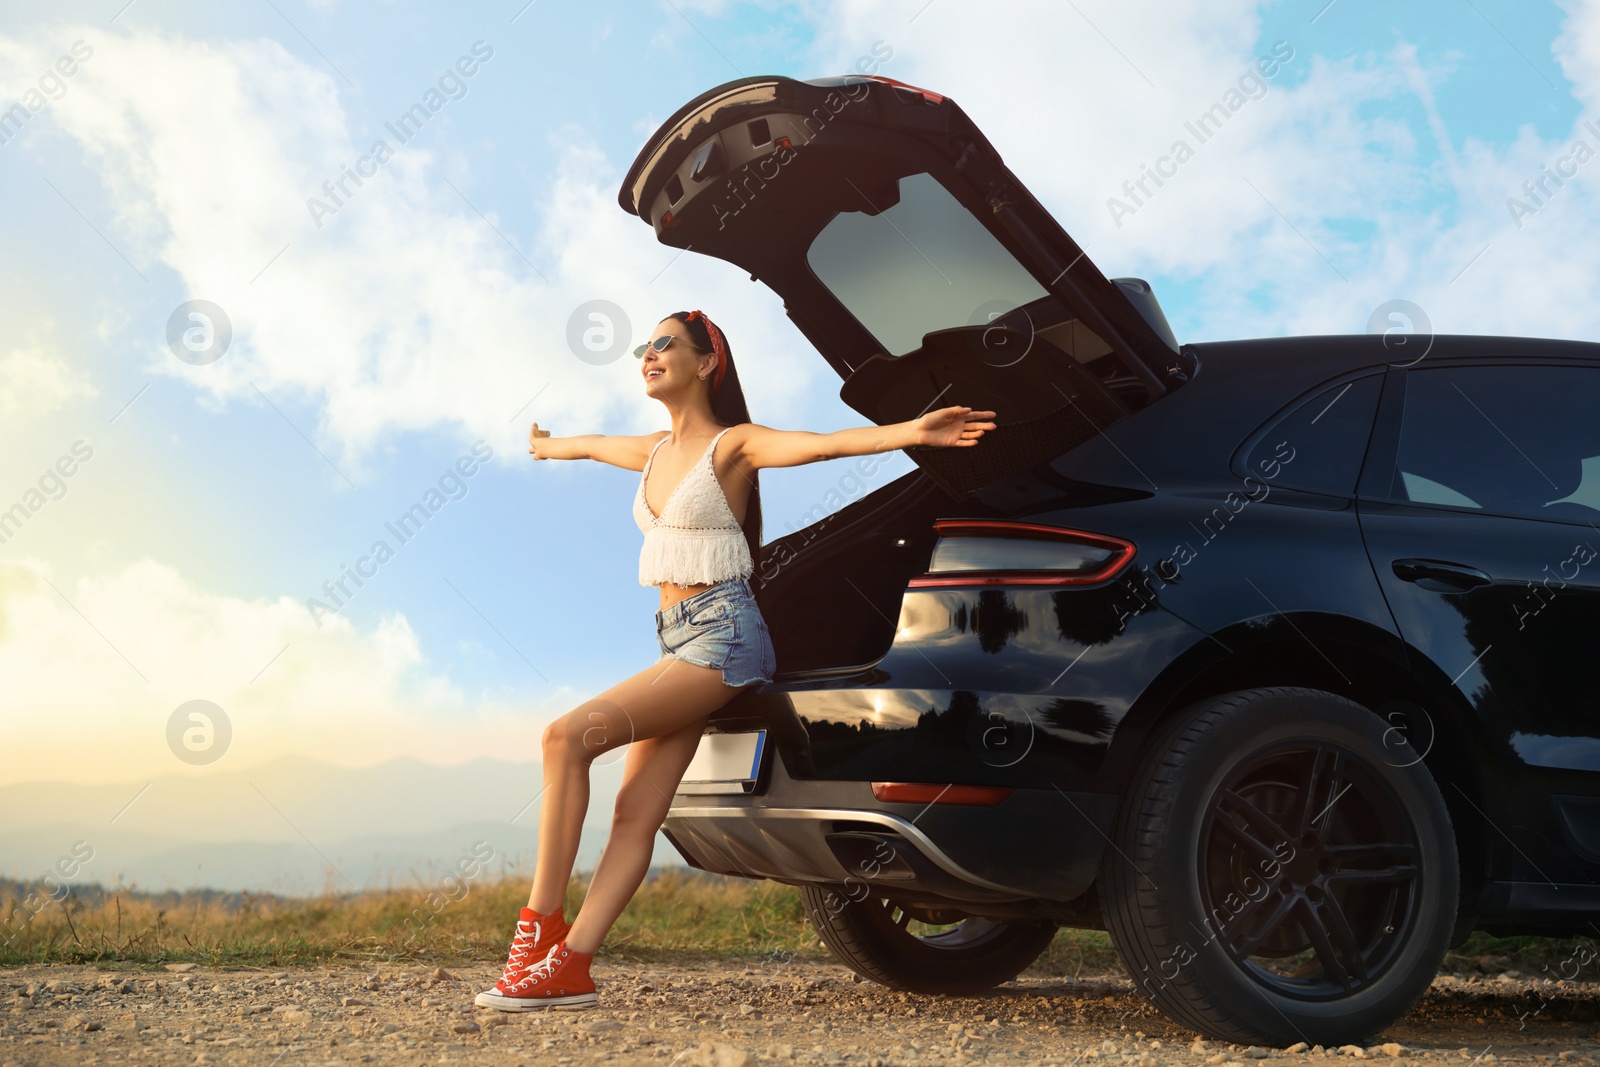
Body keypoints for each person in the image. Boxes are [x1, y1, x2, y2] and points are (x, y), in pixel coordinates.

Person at [473, 309, 996, 1011]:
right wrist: (548, 445)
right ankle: (571, 966)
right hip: (674, 639)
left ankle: (536, 930)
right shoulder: (655, 451)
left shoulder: (734, 446)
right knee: (635, 810)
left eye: (665, 345)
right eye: (643, 347)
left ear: (707, 361)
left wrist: (913, 431)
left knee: (565, 738)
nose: (648, 355)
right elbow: (595, 445)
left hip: (724, 637)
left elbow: (825, 445)